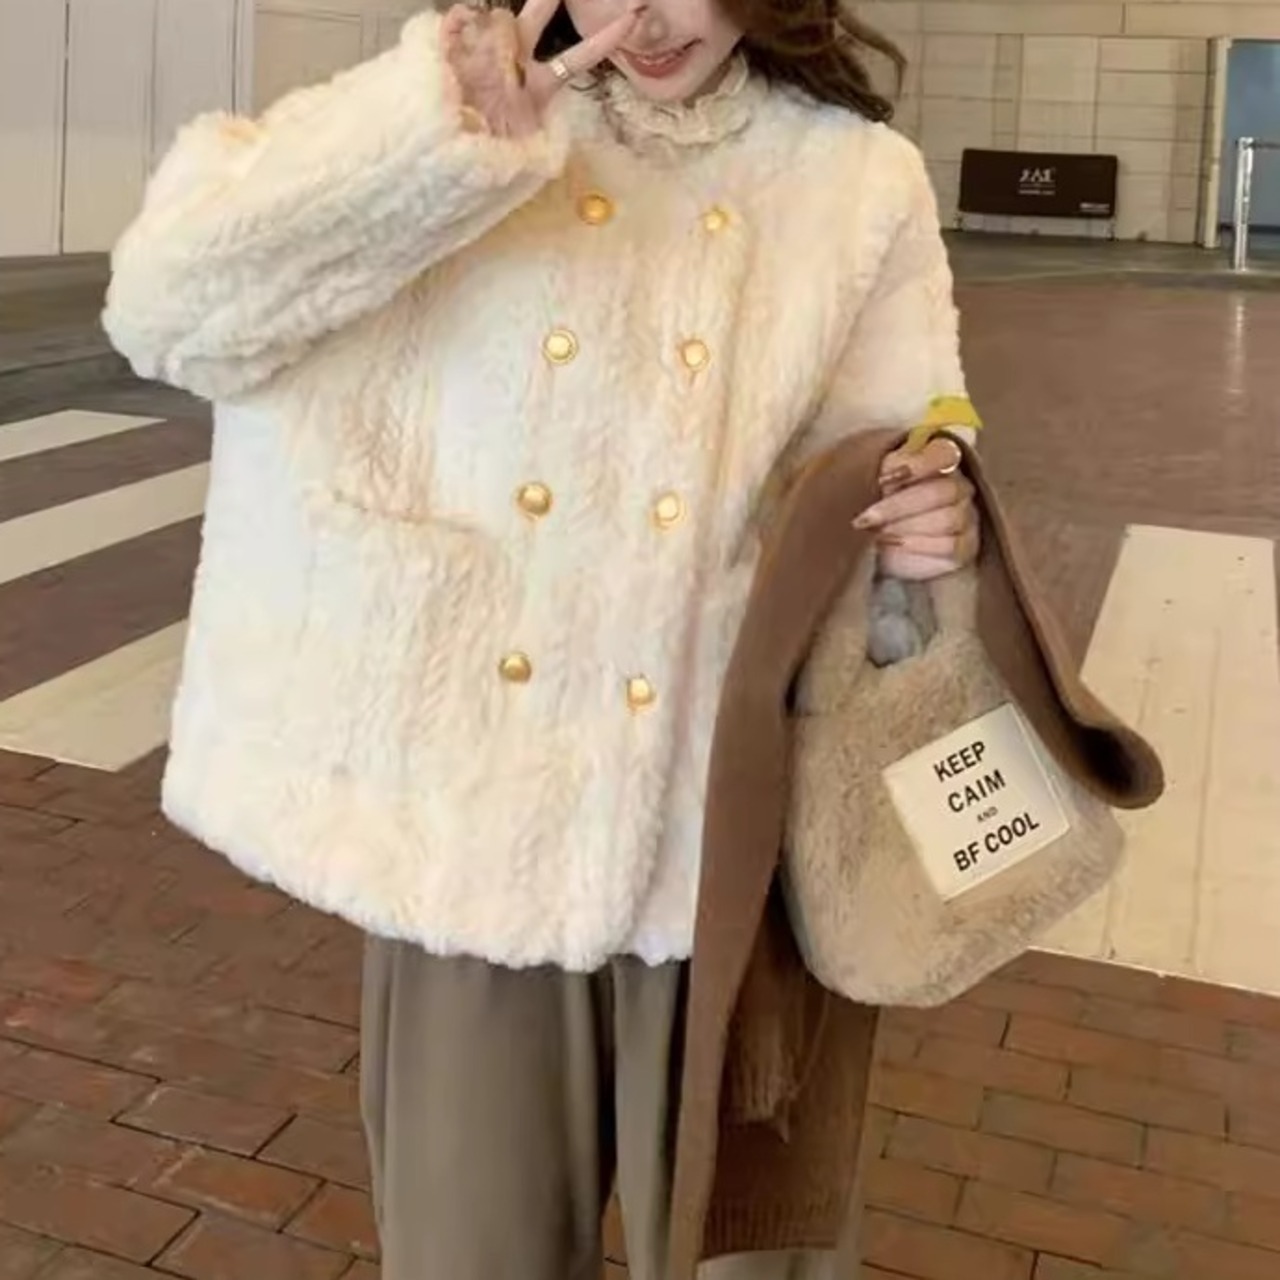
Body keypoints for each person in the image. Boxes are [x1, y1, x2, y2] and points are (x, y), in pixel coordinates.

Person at [103, 1, 983, 1276]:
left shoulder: (855, 179)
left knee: (760, 1259)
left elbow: (884, 457)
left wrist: (925, 516)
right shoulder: (467, 109)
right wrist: (431, 145)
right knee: (470, 1252)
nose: (647, 15)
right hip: (475, 838)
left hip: (733, 848)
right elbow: (167, 312)